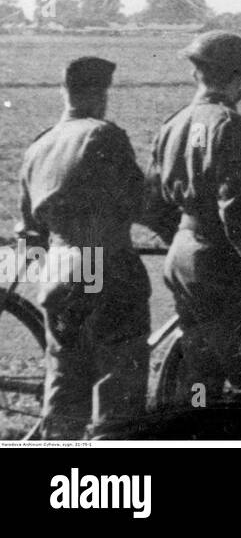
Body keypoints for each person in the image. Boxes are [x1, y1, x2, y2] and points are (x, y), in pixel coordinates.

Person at [147, 31, 241, 408]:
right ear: (239, 79)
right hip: (220, 263)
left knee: (200, 376)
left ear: (197, 74)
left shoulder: (172, 124)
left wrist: (184, 243)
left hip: (182, 257)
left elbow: (152, 201)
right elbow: (238, 213)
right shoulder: (232, 125)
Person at [16, 57, 152, 439]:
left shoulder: (39, 145)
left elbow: (29, 232)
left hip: (59, 270)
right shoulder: (102, 135)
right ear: (100, 94)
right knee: (119, 374)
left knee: (66, 375)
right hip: (100, 264)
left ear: (65, 92)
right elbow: (139, 201)